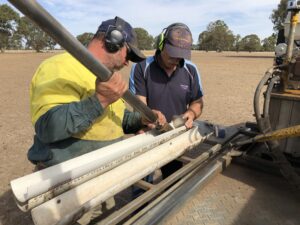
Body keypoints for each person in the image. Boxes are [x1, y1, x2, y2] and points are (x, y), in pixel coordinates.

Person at [27, 16, 166, 224]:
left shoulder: (107, 78)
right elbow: (48, 127)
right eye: (128, 54)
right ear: (113, 41)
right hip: (69, 186)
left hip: (101, 177)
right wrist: (99, 100)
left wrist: (141, 120)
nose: (128, 62)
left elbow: (117, 120)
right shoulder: (59, 66)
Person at [129, 22, 204, 179]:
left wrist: (191, 113)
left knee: (173, 180)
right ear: (161, 44)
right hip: (147, 136)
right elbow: (139, 106)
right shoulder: (142, 68)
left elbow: (197, 102)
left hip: (175, 137)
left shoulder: (191, 70)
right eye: (172, 53)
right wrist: (149, 119)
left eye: (181, 54)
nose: (176, 59)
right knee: (141, 185)